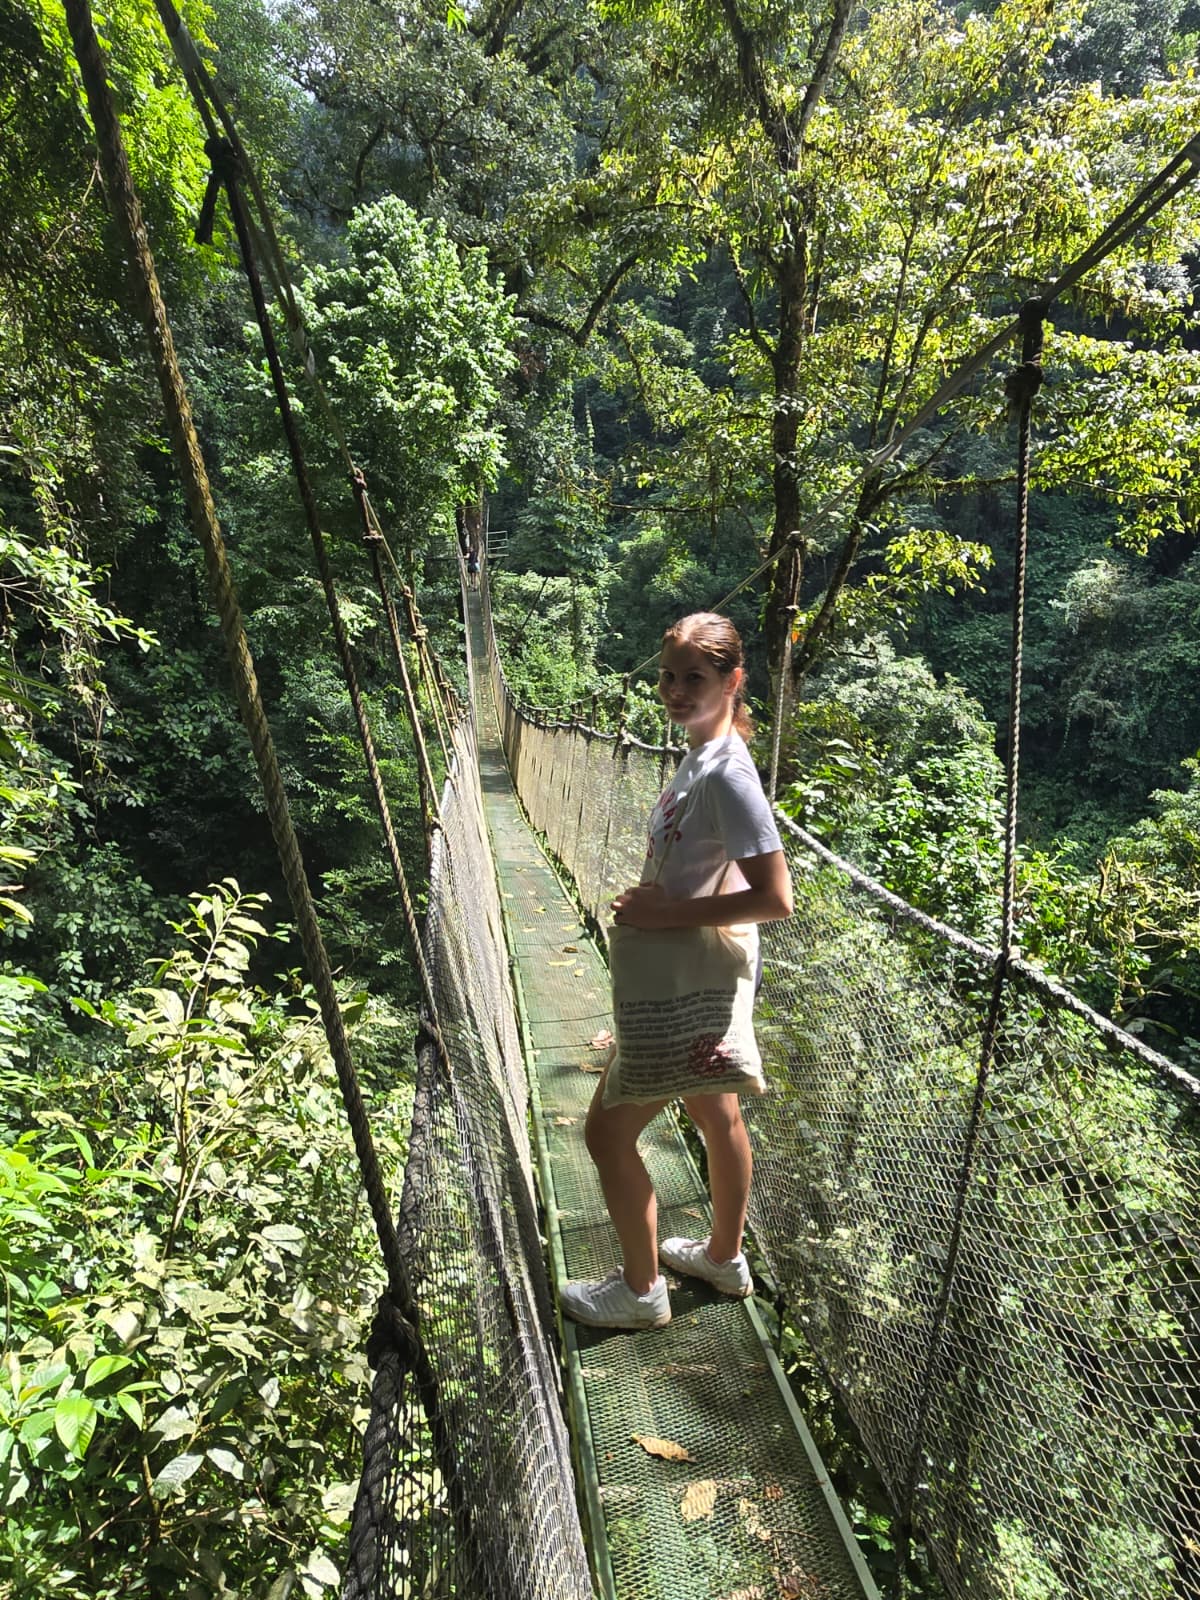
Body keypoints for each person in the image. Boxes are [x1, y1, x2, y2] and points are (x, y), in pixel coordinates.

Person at [560, 612, 792, 1330]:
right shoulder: (701, 755)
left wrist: (663, 914)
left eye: (694, 677)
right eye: (667, 676)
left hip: (684, 988)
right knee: (714, 1110)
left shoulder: (728, 775)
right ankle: (723, 1259)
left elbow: (776, 898)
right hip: (690, 985)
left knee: (606, 1136)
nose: (675, 690)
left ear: (733, 680)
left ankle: (640, 1292)